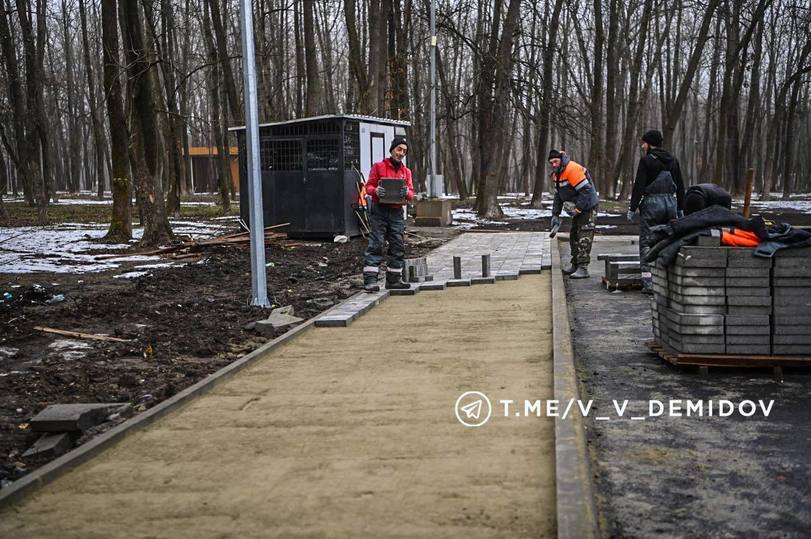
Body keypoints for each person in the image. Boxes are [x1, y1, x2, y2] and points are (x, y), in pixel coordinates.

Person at [627, 129, 685, 293]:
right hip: (670, 204)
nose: (642, 146)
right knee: (668, 240)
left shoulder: (646, 161)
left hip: (652, 204)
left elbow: (639, 186)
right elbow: (680, 186)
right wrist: (680, 208)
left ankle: (649, 282)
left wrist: (632, 208)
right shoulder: (673, 160)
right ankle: (667, 280)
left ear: (650, 144)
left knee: (647, 241)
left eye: (644, 143)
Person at [362, 137, 415, 292]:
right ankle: (370, 281)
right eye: (399, 149)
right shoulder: (379, 167)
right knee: (376, 244)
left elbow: (411, 193)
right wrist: (375, 191)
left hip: (397, 212)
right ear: (392, 149)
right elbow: (369, 186)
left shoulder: (406, 172)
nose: (401, 153)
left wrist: (407, 193)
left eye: (404, 151)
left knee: (398, 246)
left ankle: (393, 280)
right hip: (380, 210)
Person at [549, 149, 600, 279]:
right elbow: (558, 196)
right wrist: (555, 214)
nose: (554, 164)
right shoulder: (556, 175)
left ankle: (583, 268)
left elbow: (586, 191)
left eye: (555, 161)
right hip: (578, 207)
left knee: (584, 236)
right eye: (551, 163)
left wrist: (577, 209)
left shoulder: (572, 169)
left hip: (588, 206)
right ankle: (575, 264)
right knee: (574, 236)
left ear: (561, 159)